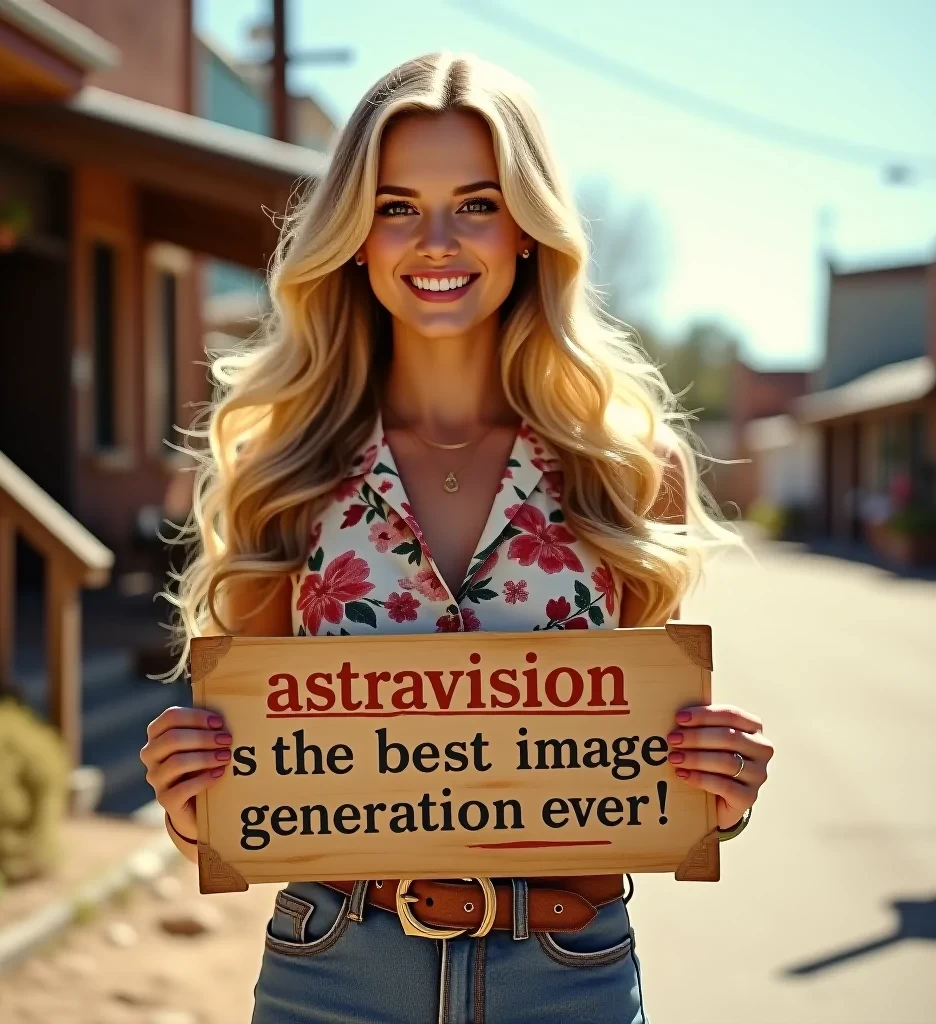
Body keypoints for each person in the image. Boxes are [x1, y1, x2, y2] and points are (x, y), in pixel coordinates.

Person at [140, 52, 774, 1023]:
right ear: (355, 236)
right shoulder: (282, 470)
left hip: (566, 973)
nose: (436, 241)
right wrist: (193, 802)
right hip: (332, 971)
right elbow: (244, 799)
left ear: (527, 228)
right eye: (396, 206)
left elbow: (648, 773)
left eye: (476, 203)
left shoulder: (629, 470)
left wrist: (717, 789)